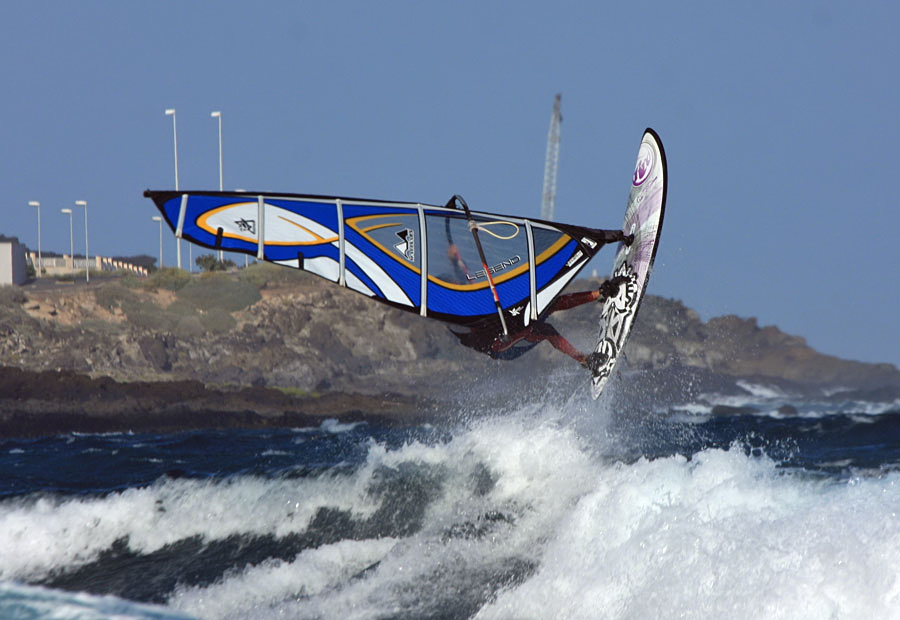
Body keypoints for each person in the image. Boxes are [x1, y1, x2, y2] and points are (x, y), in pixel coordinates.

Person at [450, 275, 629, 372]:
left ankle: (599, 294)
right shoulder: (455, 320)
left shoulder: (469, 295)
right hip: (503, 347)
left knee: (548, 303)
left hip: (511, 324)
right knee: (544, 329)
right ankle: (585, 360)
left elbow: (463, 271)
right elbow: (466, 329)